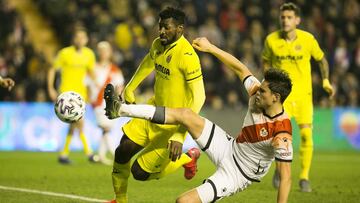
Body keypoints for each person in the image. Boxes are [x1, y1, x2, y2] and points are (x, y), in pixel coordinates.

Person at [104, 37, 293, 203]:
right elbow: (240, 68)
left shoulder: (281, 132)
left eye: (263, 91)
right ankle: (121, 109)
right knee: (186, 114)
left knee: (184, 201)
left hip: (238, 173)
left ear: (275, 97)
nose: (257, 91)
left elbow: (285, 178)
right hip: (229, 147)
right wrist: (211, 48)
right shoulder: (256, 92)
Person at [107, 7, 206, 203]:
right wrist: (130, 88)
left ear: (180, 29)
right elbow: (148, 63)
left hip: (172, 124)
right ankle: (120, 200)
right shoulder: (158, 44)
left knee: (139, 172)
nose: (161, 31)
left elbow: (199, 97)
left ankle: (188, 158)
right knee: (123, 149)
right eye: (160, 26)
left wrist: (180, 135)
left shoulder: (188, 56)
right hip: (152, 111)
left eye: (166, 28)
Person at [261, 2, 334, 192]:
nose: (285, 20)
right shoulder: (271, 40)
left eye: (289, 17)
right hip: (281, 99)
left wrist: (326, 80)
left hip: (303, 97)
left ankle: (304, 178)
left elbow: (321, 59)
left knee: (306, 135)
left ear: (297, 20)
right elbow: (266, 62)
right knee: (278, 138)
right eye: (283, 17)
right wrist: (268, 85)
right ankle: (279, 170)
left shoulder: (308, 39)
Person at [47, 28, 98, 164]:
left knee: (75, 124)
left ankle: (64, 154)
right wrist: (51, 88)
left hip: (81, 94)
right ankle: (89, 153)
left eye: (82, 37)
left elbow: (92, 74)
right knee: (79, 122)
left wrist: (95, 88)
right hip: (66, 94)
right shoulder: (65, 53)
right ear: (73, 39)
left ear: (86, 40)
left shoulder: (89, 54)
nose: (80, 40)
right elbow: (52, 69)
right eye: (77, 37)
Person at [89, 41, 125, 165]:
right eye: (101, 50)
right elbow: (87, 84)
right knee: (106, 127)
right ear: (98, 52)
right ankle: (116, 154)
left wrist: (119, 100)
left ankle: (101, 156)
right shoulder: (93, 68)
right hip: (98, 102)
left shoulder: (115, 69)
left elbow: (119, 86)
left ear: (110, 53)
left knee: (107, 129)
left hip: (110, 102)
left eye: (106, 50)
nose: (104, 53)